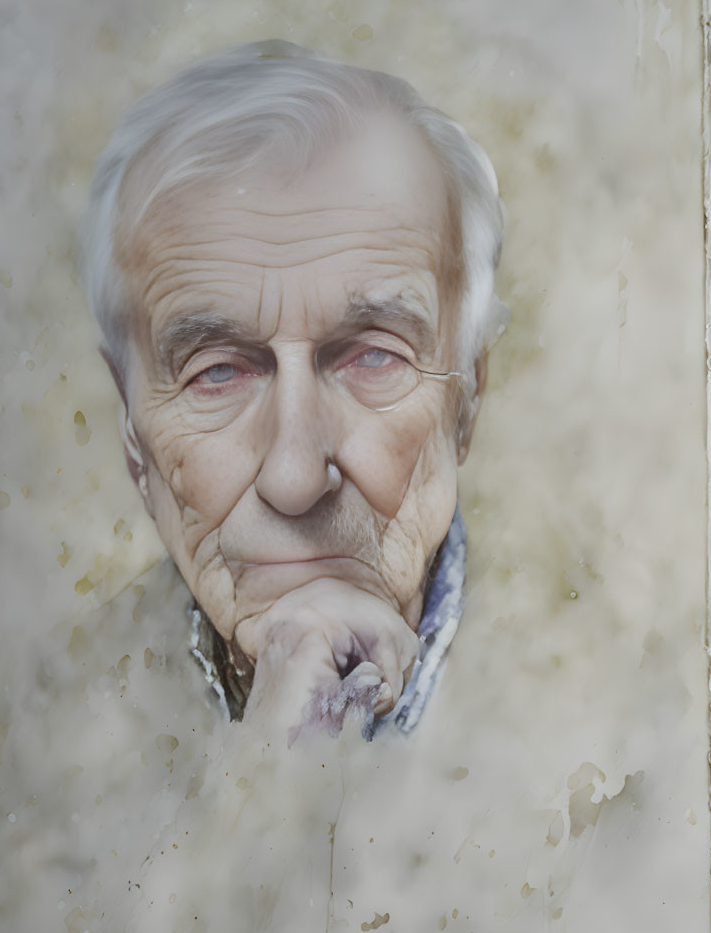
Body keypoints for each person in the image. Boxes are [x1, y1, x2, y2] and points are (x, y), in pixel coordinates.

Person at [80, 39, 505, 740]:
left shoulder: (641, 721)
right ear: (131, 424)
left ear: (468, 397)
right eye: (217, 371)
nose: (295, 476)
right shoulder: (18, 750)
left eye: (373, 357)